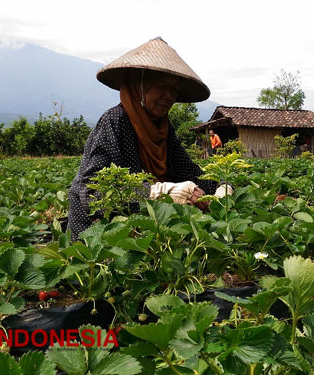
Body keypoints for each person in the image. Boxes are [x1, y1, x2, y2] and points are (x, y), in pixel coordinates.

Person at [68, 37, 232, 241]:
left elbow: (188, 171)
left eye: (173, 89)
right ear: (138, 85)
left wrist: (221, 187)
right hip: (98, 233)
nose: (168, 96)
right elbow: (93, 191)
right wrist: (159, 192)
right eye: (160, 86)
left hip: (144, 227)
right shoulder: (115, 121)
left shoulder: (163, 128)